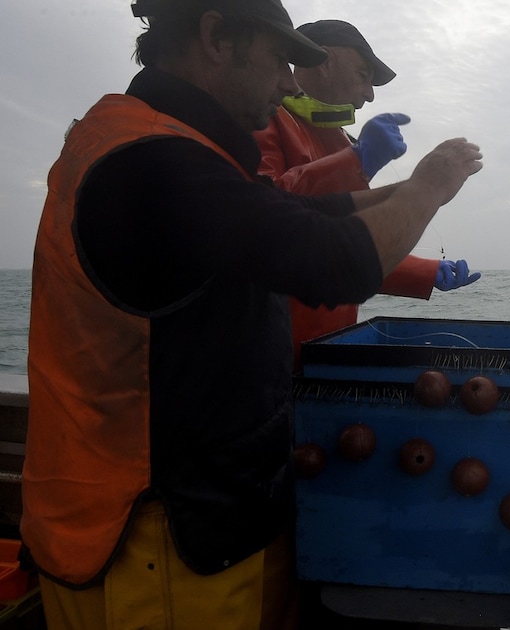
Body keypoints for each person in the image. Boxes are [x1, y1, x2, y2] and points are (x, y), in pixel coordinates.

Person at [21, 0, 481, 628]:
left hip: (202, 522)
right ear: (215, 35)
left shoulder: (163, 144)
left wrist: (396, 193)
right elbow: (330, 262)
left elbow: (285, 214)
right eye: (280, 60)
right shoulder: (150, 160)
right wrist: (432, 184)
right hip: (151, 534)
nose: (290, 83)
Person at [254, 19, 479, 362]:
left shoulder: (343, 139)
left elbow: (348, 247)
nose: (370, 93)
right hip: (273, 353)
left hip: (325, 353)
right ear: (325, 62)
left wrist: (424, 271)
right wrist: (357, 161)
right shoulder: (262, 119)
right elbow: (269, 216)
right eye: (363, 75)